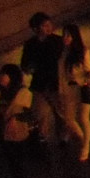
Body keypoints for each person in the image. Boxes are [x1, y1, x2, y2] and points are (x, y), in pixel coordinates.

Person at [18, 12, 64, 145]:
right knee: (40, 113)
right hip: (39, 84)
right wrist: (28, 68)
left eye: (49, 24)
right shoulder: (30, 44)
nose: (49, 27)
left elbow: (58, 59)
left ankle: (63, 137)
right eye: (45, 25)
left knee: (61, 114)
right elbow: (25, 64)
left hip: (56, 83)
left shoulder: (57, 41)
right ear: (36, 29)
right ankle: (42, 138)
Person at [0, 65, 34, 178]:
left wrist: (15, 117)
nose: (1, 77)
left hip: (18, 134)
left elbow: (29, 114)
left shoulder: (23, 93)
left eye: (4, 74)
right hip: (5, 134)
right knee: (12, 164)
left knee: (21, 164)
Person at [56, 23, 90, 161]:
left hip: (82, 88)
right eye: (64, 35)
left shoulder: (83, 52)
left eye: (69, 35)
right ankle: (82, 138)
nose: (66, 38)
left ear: (75, 36)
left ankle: (86, 146)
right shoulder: (63, 52)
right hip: (68, 90)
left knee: (83, 118)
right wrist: (61, 91)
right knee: (68, 119)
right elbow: (61, 75)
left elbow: (88, 70)